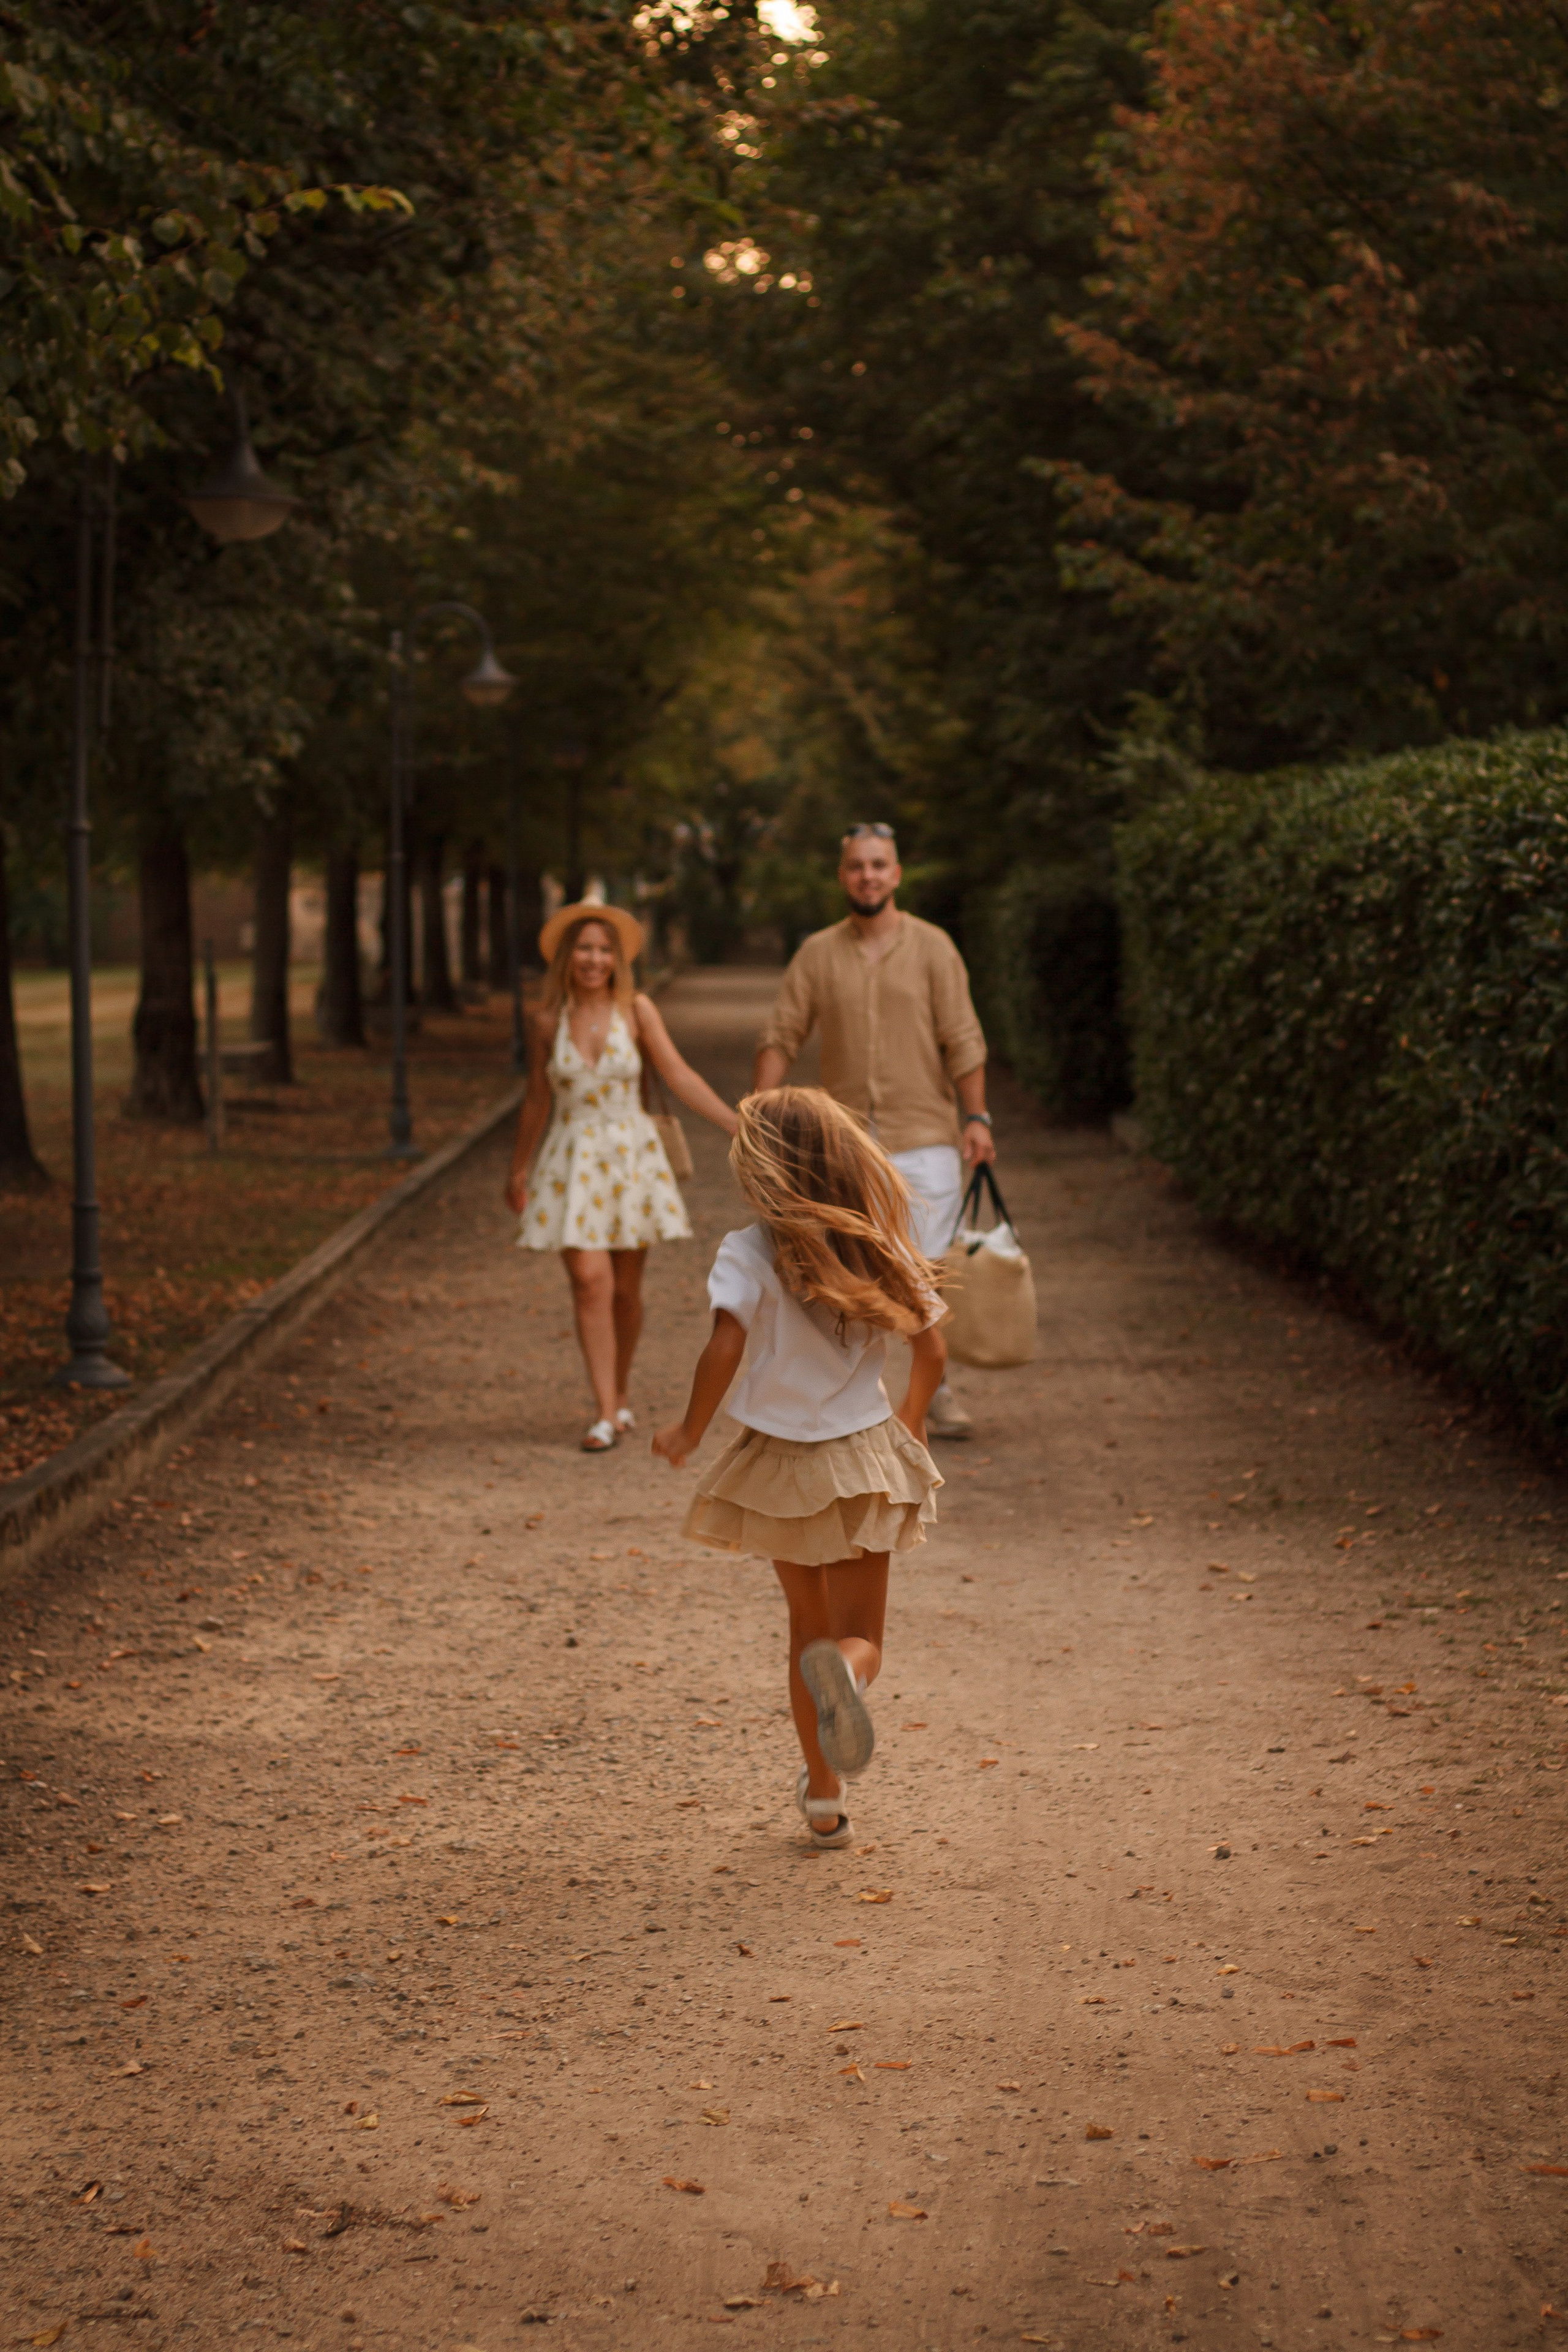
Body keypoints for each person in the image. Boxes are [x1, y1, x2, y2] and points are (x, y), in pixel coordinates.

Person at [652, 1087, 945, 1848]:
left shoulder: (746, 1250)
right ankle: (850, 1679)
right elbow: (932, 1349)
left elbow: (724, 1345)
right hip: (864, 1457)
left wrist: (689, 1430)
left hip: (782, 1463)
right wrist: (907, 1424)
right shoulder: (878, 1238)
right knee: (860, 1641)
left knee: (805, 1633)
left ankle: (824, 1796)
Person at [752, 822, 997, 1439]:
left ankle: (934, 1390)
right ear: (843, 876)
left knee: (919, 1272)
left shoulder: (934, 947)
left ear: (896, 874)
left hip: (924, 1135)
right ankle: (860, 1401)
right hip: (845, 1145)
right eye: (857, 866)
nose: (868, 875)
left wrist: (977, 1117)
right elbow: (782, 1032)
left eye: (879, 865)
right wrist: (758, 1113)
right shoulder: (817, 953)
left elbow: (962, 1037)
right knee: (852, 1273)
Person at [504, 902, 737, 1452]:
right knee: (591, 1282)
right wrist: (518, 1166)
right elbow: (538, 1099)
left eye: (604, 949)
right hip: (570, 1162)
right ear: (567, 957)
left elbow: (677, 1073)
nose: (594, 958)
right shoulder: (545, 1021)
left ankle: (620, 1391)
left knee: (627, 1293)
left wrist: (736, 1122)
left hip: (631, 1160)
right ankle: (606, 1413)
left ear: (617, 958)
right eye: (584, 948)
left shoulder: (637, 1010)